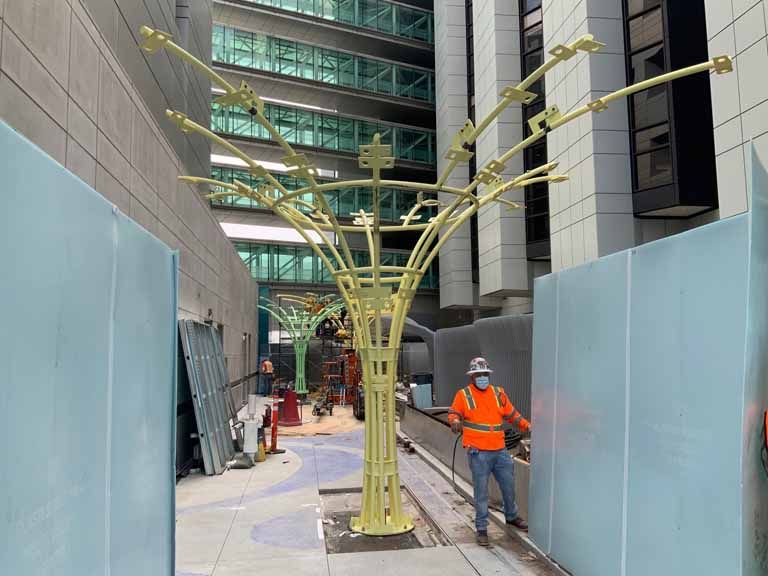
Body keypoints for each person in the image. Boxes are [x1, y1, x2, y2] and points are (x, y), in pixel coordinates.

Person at [448, 357, 530, 546]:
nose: (483, 377)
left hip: (500, 451)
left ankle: (511, 516)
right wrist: (454, 422)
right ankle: (482, 528)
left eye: (485, 374)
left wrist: (527, 426)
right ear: (472, 376)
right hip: (479, 453)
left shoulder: (498, 393)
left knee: (509, 486)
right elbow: (454, 414)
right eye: (479, 375)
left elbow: (512, 415)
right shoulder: (464, 395)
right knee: (481, 492)